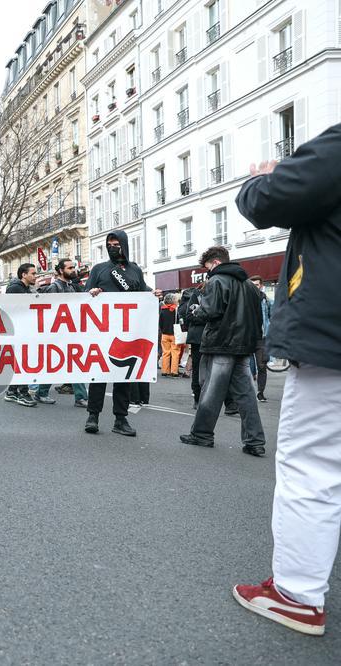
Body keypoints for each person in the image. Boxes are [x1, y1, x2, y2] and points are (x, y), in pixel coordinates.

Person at [230, 128, 341, 635]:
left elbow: (268, 199)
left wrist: (263, 177)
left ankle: (295, 593)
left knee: (311, 466)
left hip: (330, 340)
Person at [179, 246, 265, 455]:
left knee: (211, 390)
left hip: (221, 343)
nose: (208, 272)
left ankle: (202, 434)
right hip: (243, 346)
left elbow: (209, 311)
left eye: (208, 267)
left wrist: (193, 313)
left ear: (216, 263)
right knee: (246, 396)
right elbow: (257, 317)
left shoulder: (216, 281)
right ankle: (254, 441)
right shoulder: (249, 286)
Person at [84, 230, 161, 437]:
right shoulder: (99, 270)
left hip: (129, 330)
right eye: (109, 244)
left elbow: (142, 292)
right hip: (103, 331)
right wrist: (92, 294)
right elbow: (84, 295)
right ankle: (93, 416)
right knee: (98, 376)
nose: (112, 247)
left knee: (124, 376)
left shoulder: (135, 270)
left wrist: (152, 294)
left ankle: (120, 418)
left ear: (124, 245)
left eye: (116, 243)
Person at [40, 258, 89, 408]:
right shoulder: (54, 287)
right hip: (57, 333)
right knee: (55, 363)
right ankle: (41, 393)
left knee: (74, 363)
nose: (73, 270)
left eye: (73, 267)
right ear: (61, 270)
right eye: (70, 268)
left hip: (70, 332)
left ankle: (80, 397)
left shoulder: (72, 286)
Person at [3, 263, 41, 407]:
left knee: (21, 360)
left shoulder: (25, 288)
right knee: (22, 361)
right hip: (17, 331)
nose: (35, 276)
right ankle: (23, 393)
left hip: (22, 330)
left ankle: (12, 391)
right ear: (23, 275)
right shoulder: (15, 288)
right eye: (33, 273)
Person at [249, 275, 271, 402]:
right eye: (253, 285)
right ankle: (250, 391)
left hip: (262, 338)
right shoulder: (246, 299)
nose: (255, 287)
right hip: (248, 337)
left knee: (262, 366)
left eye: (257, 285)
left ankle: (260, 392)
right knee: (248, 367)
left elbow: (272, 317)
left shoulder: (267, 300)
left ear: (261, 285)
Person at [159, 293, 181, 377]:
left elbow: (160, 323)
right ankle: (174, 371)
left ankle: (165, 370)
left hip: (164, 334)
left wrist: (163, 330)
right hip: (174, 334)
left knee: (165, 353)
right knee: (175, 353)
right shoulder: (175, 310)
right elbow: (179, 321)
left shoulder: (163, 310)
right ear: (173, 301)